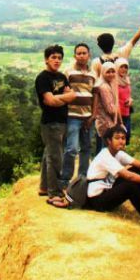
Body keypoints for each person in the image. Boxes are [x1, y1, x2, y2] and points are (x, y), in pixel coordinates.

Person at [86, 126, 140, 230]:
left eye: (123, 138)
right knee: (130, 185)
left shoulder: (118, 153)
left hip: (107, 190)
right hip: (97, 200)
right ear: (109, 141)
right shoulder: (105, 156)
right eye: (117, 138)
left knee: (135, 170)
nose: (121, 141)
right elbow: (128, 176)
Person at [35, 45, 76, 208]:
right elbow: (50, 101)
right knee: (56, 157)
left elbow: (68, 97)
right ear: (46, 59)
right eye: (53, 57)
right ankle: (55, 194)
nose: (57, 61)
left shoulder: (62, 76)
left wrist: (59, 98)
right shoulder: (42, 78)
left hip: (62, 120)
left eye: (59, 58)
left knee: (49, 154)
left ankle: (45, 187)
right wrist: (66, 97)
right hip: (50, 122)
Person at [60, 43, 95, 188]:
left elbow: (94, 95)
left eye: (84, 53)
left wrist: (92, 116)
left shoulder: (93, 74)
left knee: (86, 148)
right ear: (75, 56)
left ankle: (82, 180)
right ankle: (65, 180)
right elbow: (62, 91)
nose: (81, 55)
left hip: (87, 117)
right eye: (79, 53)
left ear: (89, 55)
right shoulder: (68, 72)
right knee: (72, 148)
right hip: (72, 116)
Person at [90, 9, 140, 79]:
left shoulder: (96, 62)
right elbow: (134, 40)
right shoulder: (121, 55)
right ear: (113, 43)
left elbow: (94, 81)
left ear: (99, 46)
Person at [92, 61, 121, 155]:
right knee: (106, 151)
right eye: (108, 72)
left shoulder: (105, 83)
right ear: (103, 72)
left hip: (103, 122)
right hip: (106, 123)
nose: (111, 74)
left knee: (104, 149)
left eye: (113, 71)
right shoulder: (104, 87)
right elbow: (111, 109)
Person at [115, 57, 133, 144]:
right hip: (117, 115)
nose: (123, 69)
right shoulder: (113, 81)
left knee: (126, 137)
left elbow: (128, 95)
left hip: (127, 113)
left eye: (125, 67)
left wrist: (130, 100)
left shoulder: (127, 80)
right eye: (121, 67)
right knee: (117, 139)